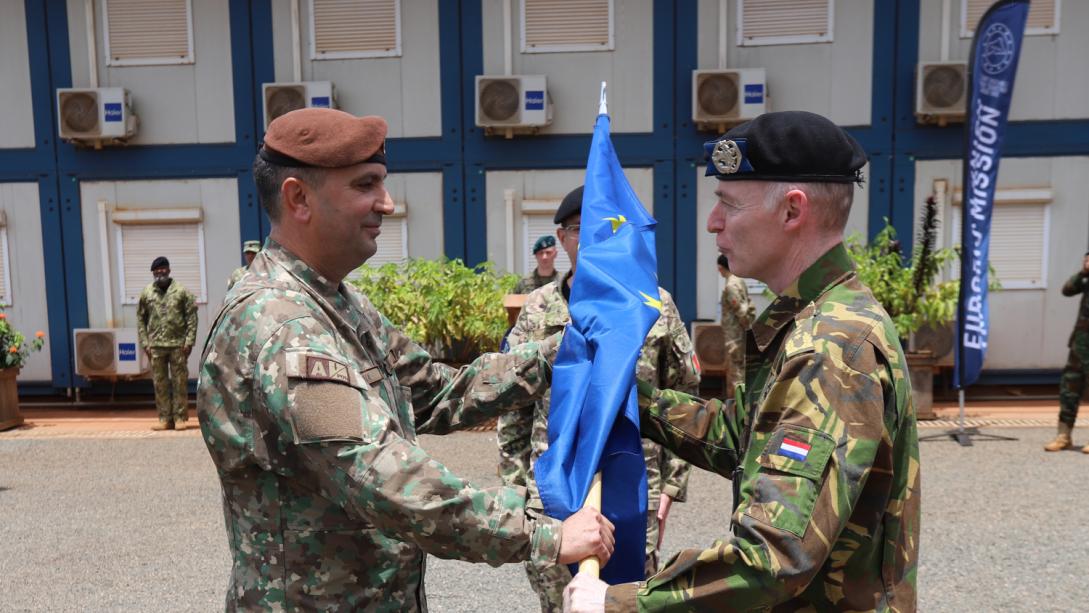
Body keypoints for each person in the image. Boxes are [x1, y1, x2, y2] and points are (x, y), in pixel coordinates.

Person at [197, 108, 614, 610]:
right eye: (365, 185)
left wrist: (561, 354)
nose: (387, 204)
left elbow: (437, 392)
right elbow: (381, 475)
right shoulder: (282, 327)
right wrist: (541, 534)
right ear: (298, 198)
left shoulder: (339, 304)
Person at [564, 111, 920, 611]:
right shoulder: (813, 321)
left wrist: (618, 601)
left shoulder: (829, 348)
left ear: (792, 211)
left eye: (728, 205)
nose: (712, 222)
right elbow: (744, 437)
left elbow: (772, 557)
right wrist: (627, 399)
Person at [496, 185, 701, 612]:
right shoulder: (537, 308)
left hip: (631, 482)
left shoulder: (654, 306)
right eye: (578, 230)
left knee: (625, 598)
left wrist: (672, 487)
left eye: (604, 230)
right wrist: (515, 487)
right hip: (552, 490)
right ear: (562, 237)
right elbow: (511, 402)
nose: (591, 240)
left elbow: (685, 394)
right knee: (560, 600)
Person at [137, 256, 198, 431]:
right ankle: (164, 418)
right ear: (153, 273)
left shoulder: (181, 292)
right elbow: (141, 319)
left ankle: (180, 418)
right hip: (155, 346)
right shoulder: (147, 293)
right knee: (160, 383)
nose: (160, 273)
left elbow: (191, 317)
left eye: (163, 269)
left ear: (169, 270)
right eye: (156, 271)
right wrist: (145, 343)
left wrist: (189, 341)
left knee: (179, 382)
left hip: (178, 344)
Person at [1044, 250, 1089, 453]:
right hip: (1080, 342)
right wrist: (1083, 272)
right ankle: (1064, 435)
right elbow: (1067, 290)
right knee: (1070, 386)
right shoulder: (1085, 278)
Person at [717, 253, 754, 392]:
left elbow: (740, 310)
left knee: (736, 370)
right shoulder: (739, 281)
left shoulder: (731, 285)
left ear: (721, 267)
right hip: (739, 332)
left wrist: (746, 327)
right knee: (740, 366)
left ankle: (737, 404)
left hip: (735, 334)